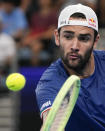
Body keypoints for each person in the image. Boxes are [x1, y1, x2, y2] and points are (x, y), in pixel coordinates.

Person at [35, 3, 105, 131]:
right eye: (68, 36)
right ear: (57, 37)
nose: (74, 46)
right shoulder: (49, 83)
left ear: (95, 41)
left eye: (83, 38)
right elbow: (50, 122)